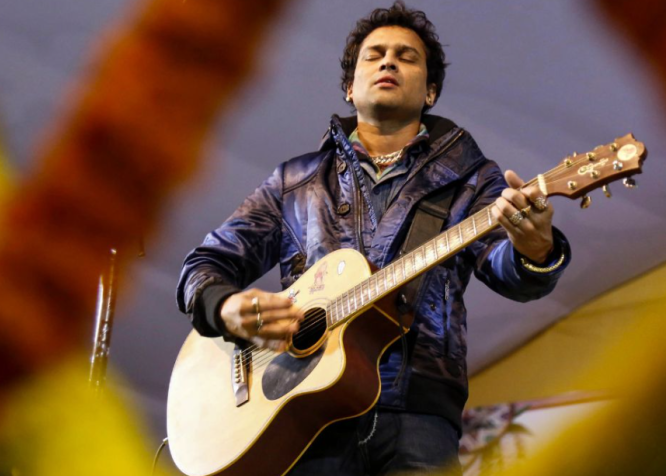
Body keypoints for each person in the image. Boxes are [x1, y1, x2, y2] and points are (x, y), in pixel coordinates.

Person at [176, 2, 570, 475]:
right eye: (375, 54)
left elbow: (508, 269)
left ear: (430, 91)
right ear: (350, 87)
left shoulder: (471, 177)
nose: (389, 62)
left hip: (418, 410)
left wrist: (535, 249)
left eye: (406, 56)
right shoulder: (294, 182)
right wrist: (224, 307)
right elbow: (204, 265)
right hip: (302, 414)